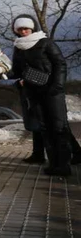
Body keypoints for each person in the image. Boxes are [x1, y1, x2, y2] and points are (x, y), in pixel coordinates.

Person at [10, 14, 80, 176]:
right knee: (45, 129)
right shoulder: (18, 47)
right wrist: (0, 72)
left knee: (58, 127)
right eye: (20, 29)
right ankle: (54, 163)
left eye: (26, 28)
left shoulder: (45, 42)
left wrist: (57, 86)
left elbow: (60, 64)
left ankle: (64, 165)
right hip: (34, 93)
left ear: (32, 28)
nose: (24, 31)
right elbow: (17, 71)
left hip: (52, 92)